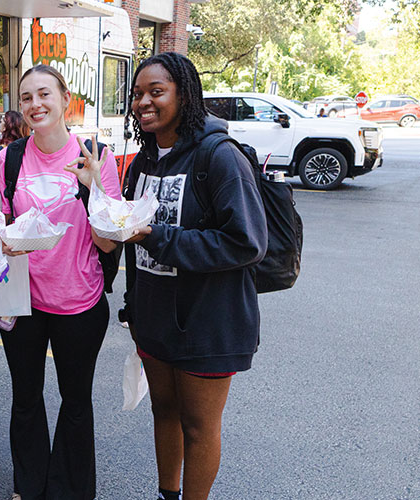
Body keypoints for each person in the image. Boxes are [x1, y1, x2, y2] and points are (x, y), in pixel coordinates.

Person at [121, 52, 267, 500]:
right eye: (137, 93)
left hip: (209, 322)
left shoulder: (218, 155)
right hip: (155, 315)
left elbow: (247, 242)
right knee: (163, 412)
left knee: (199, 426)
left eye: (156, 92)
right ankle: (168, 493)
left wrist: (160, 237)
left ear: (185, 95)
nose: (143, 101)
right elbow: (132, 236)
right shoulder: (144, 162)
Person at [0, 64, 121, 500]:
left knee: (75, 400)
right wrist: (5, 242)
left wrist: (94, 190)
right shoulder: (9, 158)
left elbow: (107, 243)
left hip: (79, 300)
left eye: (44, 94)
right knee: (26, 399)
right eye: (26, 97)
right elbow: (2, 223)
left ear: (66, 98)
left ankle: (69, 490)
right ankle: (28, 487)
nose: (35, 105)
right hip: (23, 299)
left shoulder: (96, 157)